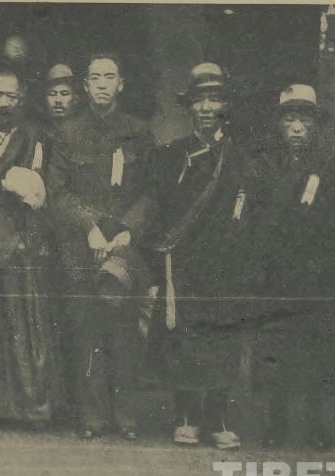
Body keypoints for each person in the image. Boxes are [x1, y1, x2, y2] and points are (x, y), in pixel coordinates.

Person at [135, 63, 262, 449]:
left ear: (226, 106)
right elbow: (156, 208)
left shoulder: (242, 160)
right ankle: (187, 417)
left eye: (214, 99)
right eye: (199, 100)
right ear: (188, 107)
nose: (207, 108)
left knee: (222, 341)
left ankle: (219, 419)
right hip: (184, 264)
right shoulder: (171, 156)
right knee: (184, 340)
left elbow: (252, 219)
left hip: (226, 265)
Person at [51, 53, 153, 440]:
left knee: (124, 334)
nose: (102, 84)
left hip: (123, 247)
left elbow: (151, 191)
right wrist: (89, 226)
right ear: (85, 86)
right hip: (82, 247)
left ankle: (125, 416)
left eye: (110, 77)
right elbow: (58, 192)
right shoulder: (67, 133)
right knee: (86, 331)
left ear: (121, 84)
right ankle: (92, 416)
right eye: (95, 77)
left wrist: (127, 230)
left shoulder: (138, 132)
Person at [250, 84, 335, 449]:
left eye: (304, 120)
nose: (296, 128)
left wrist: (327, 263)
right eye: (289, 120)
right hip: (275, 272)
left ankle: (315, 423)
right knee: (275, 346)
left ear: (316, 124)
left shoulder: (331, 169)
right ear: (279, 124)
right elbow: (256, 220)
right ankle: (276, 423)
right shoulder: (264, 166)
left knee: (314, 348)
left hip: (315, 272)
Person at [0, 65, 65, 424]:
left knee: (26, 325)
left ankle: (32, 407)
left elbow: (48, 193)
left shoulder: (35, 138)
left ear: (21, 99)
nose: (4, 103)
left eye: (11, 96)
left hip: (24, 241)